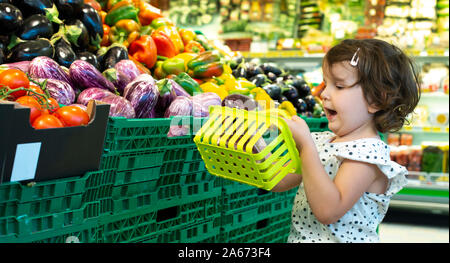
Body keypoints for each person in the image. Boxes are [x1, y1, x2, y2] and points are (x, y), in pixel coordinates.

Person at [271, 38, 421, 243]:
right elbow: (280, 180)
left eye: (339, 86)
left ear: (376, 100)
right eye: (326, 84)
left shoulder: (367, 154)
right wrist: (254, 147)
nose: (324, 94)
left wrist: (305, 147)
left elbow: (328, 210)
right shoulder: (323, 141)